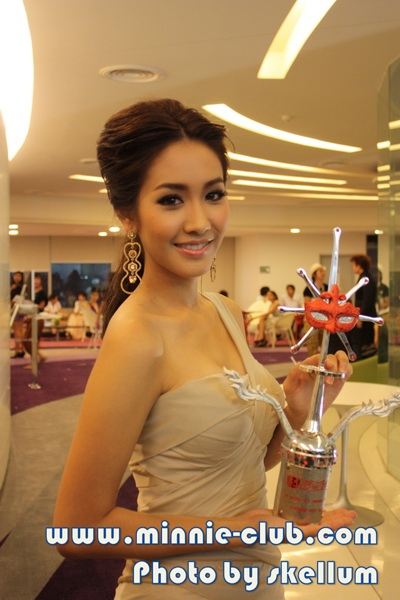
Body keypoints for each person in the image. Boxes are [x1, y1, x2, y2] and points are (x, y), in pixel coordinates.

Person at [53, 99, 355, 599]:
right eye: (172, 199)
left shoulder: (224, 311)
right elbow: (75, 529)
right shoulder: (138, 337)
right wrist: (233, 532)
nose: (200, 221)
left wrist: (297, 410)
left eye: (213, 194)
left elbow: (236, 467)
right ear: (127, 214)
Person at [350, 254, 378, 359]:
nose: (353, 268)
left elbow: (367, 300)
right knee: (363, 343)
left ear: (359, 265)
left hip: (366, 315)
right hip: (365, 314)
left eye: (354, 265)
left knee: (365, 344)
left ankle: (366, 363)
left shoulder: (366, 278)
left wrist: (360, 316)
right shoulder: (365, 276)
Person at [302, 263, 328, 356]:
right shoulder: (308, 288)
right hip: (312, 319)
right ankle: (312, 361)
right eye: (320, 271)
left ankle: (324, 362)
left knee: (325, 343)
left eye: (323, 271)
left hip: (325, 318)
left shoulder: (327, 287)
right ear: (314, 274)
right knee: (312, 344)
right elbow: (307, 305)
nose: (323, 273)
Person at [10, 271, 26, 358]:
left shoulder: (21, 287)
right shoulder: (12, 286)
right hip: (15, 310)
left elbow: (19, 299)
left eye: (19, 276)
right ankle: (20, 349)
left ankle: (19, 350)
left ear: (21, 277)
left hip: (17, 310)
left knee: (18, 331)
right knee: (18, 331)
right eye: (15, 275)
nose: (17, 277)